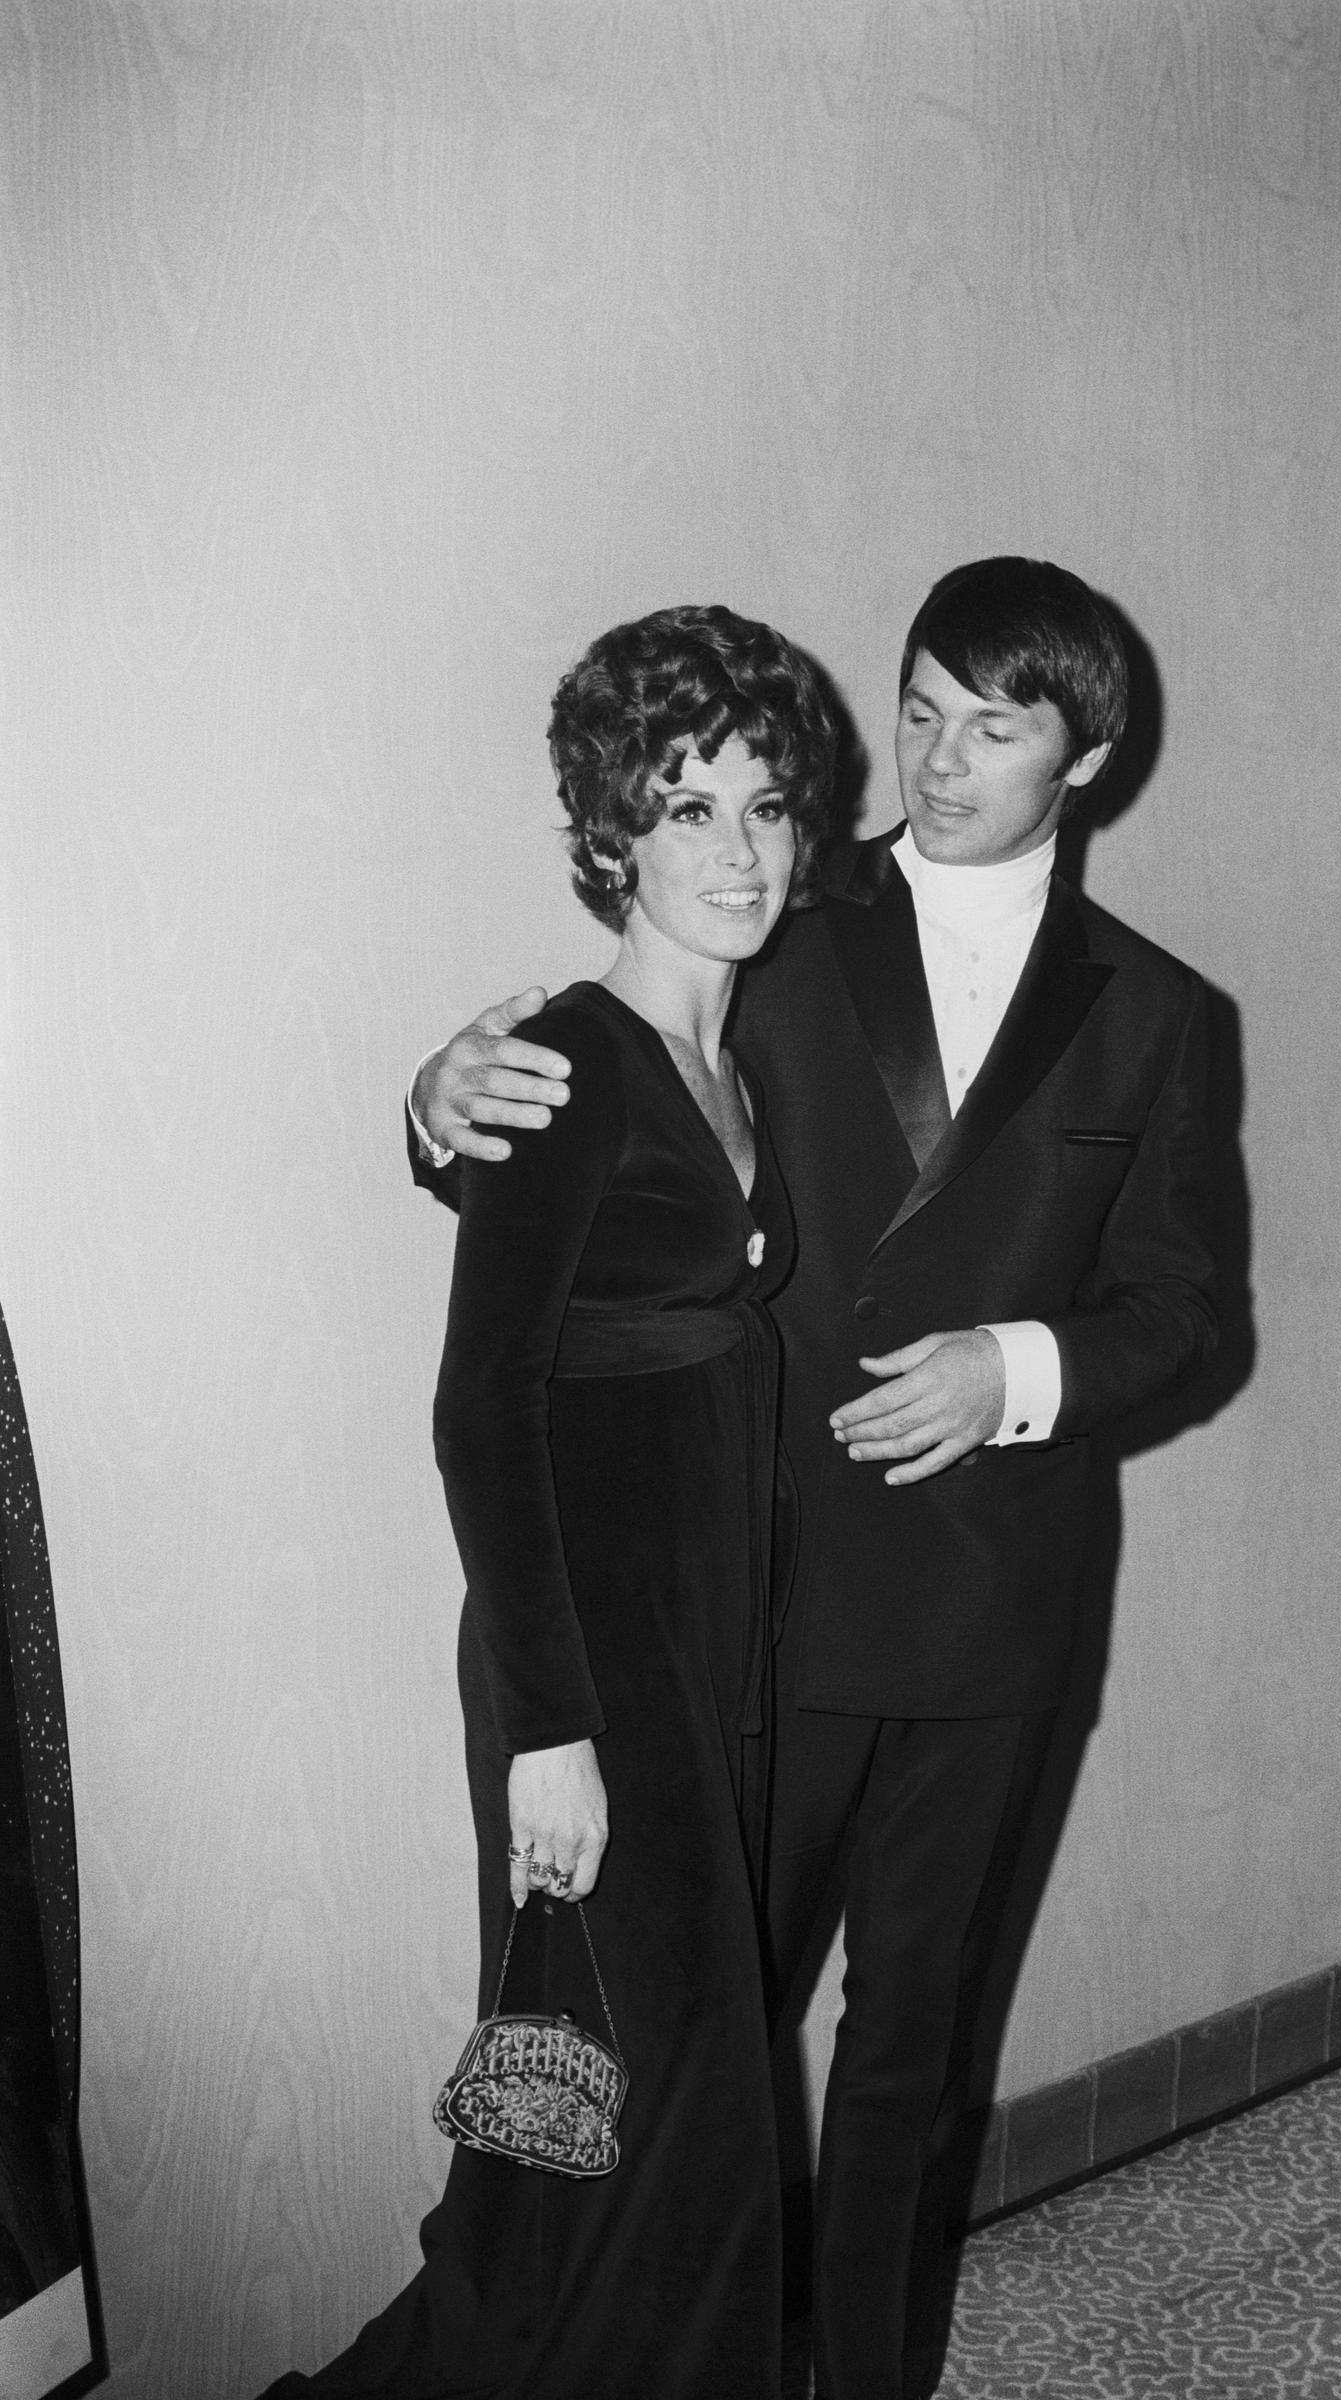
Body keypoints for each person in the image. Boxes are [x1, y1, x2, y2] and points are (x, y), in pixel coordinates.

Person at [412, 557, 1220, 2400]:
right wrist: (436, 1097)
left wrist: (1015, 1368)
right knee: (674, 2059)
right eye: (918, 709)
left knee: (909, 2055)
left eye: (990, 726)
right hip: (747, 1603)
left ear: (1079, 757)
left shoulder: (1157, 1014)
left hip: (988, 1610)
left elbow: (1186, 1316)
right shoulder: (770, 903)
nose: (935, 762)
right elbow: (592, 1149)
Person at [263, 603, 837, 2400]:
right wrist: (548, 1736)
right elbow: (478, 1406)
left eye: (763, 806)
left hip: (702, 1646)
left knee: (585, 2130)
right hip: (588, 1676)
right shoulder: (568, 1060)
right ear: (611, 836)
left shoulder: (731, 1063)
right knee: (674, 2128)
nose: (735, 851)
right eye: (687, 811)